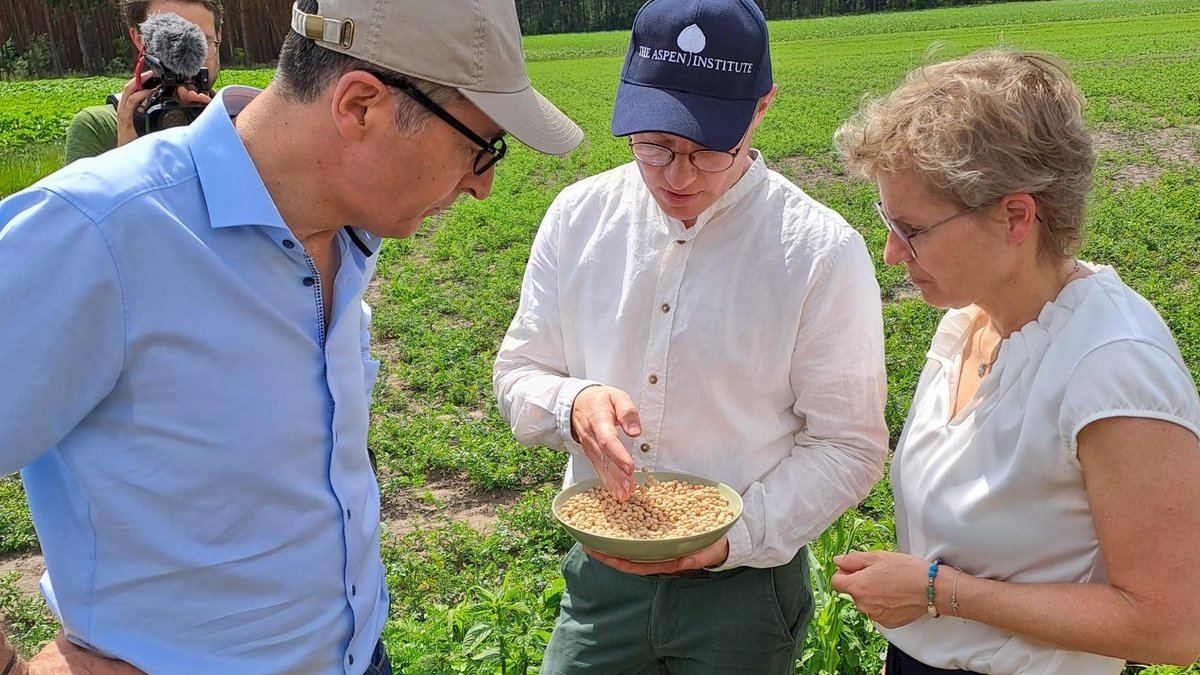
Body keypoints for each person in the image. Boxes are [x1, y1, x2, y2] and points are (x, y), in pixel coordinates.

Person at [0, 0, 582, 671]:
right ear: (362, 106)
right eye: (482, 147)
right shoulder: (104, 230)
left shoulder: (348, 227)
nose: (483, 185)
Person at [493, 0, 888, 671]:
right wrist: (573, 402)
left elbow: (848, 445)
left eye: (707, 150)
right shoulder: (578, 217)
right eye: (654, 145)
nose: (677, 175)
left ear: (760, 108)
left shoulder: (818, 252)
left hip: (744, 590)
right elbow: (519, 371)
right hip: (603, 575)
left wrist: (737, 534)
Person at [830, 48, 1200, 674]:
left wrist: (935, 592)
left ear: (1016, 216)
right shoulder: (973, 317)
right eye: (886, 221)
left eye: (913, 229)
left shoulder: (1113, 367)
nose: (892, 255)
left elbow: (1170, 625)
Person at [64, 0, 224, 164]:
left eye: (203, 42)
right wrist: (128, 156)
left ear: (219, 35)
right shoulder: (99, 127)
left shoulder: (237, 118)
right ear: (140, 40)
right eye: (169, 43)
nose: (187, 65)